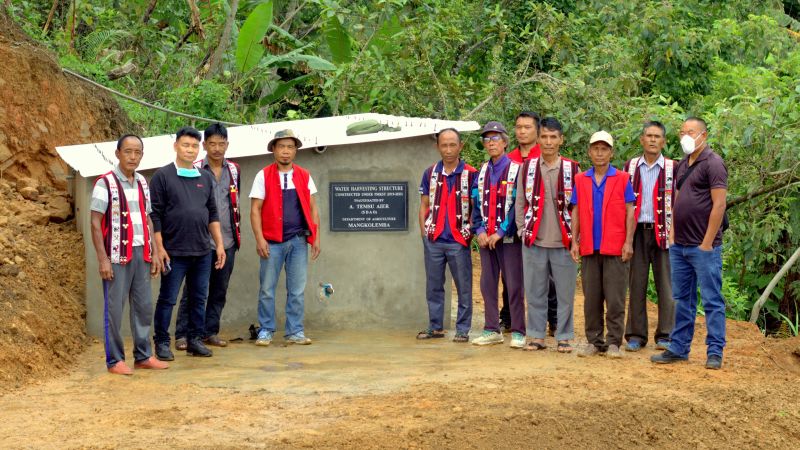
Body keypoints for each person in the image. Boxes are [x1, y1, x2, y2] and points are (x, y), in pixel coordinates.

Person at [651, 117, 727, 370]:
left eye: (691, 132)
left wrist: (707, 243)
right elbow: (677, 200)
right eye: (682, 132)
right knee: (682, 299)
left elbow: (719, 204)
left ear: (703, 135)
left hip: (703, 247)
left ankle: (714, 351)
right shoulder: (683, 164)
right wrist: (672, 235)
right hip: (680, 245)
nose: (685, 136)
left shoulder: (713, 163)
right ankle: (679, 348)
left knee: (712, 300)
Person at [89, 134, 168, 375]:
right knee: (114, 310)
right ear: (118, 154)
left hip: (141, 253)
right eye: (128, 151)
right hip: (116, 255)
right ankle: (114, 360)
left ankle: (143, 356)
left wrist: (154, 251)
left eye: (137, 152)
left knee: (143, 307)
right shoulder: (105, 183)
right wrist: (103, 259)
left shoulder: (143, 182)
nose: (133, 157)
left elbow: (147, 218)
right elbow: (95, 222)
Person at [150, 126, 227, 361]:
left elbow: (212, 213)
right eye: (185, 145)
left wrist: (219, 245)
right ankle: (162, 342)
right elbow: (155, 215)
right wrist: (159, 248)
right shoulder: (162, 176)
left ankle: (195, 340)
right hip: (173, 252)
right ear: (176, 146)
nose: (190, 150)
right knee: (168, 299)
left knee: (198, 298)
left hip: (203, 251)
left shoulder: (204, 177)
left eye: (194, 146)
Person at [174, 123, 242, 350]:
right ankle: (183, 334)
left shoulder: (234, 170)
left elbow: (234, 203)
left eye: (221, 144)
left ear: (227, 145)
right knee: (193, 290)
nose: (217, 148)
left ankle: (210, 332)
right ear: (204, 145)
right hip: (200, 241)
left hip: (228, 240)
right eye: (212, 144)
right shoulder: (193, 169)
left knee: (219, 290)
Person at [250, 129, 321, 346]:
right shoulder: (263, 175)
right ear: (273, 149)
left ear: (295, 151)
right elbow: (255, 209)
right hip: (271, 242)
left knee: (297, 290)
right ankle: (266, 330)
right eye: (281, 146)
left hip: (298, 241)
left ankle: (295, 331)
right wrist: (260, 239)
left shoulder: (304, 175)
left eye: (290, 147)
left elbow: (313, 208)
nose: (286, 151)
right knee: (267, 289)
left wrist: (315, 237)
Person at [515, 117, 580, 353]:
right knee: (535, 292)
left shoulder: (573, 169)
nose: (548, 142)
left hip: (564, 242)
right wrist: (522, 230)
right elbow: (519, 201)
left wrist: (576, 239)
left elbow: (579, 207)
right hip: (534, 240)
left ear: (561, 140)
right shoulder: (527, 168)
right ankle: (536, 336)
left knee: (565, 294)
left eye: (553, 137)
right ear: (538, 139)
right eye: (544, 137)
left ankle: (564, 337)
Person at [570, 130, 636, 359]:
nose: (599, 153)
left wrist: (628, 242)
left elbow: (630, 211)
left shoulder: (622, 178)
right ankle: (594, 341)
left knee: (616, 297)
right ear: (589, 152)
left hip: (615, 247)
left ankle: (614, 342)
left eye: (604, 149)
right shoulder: (581, 179)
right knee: (592, 297)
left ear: (611, 153)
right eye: (596, 149)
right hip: (589, 246)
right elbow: (576, 211)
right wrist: (574, 241)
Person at [417, 128, 477, 343]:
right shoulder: (430, 173)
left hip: (458, 240)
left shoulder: (471, 173)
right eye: (444, 145)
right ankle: (435, 327)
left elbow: (475, 207)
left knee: (463, 286)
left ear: (461, 146)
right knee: (433, 286)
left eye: (453, 145)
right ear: (438, 147)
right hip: (434, 239)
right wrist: (424, 234)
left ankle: (462, 329)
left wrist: (469, 232)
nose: (448, 150)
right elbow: (424, 205)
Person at [470, 121, 525, 348]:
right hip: (486, 239)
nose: (491, 143)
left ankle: (519, 331)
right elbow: (475, 203)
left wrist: (501, 231)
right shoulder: (481, 171)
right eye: (487, 139)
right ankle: (492, 329)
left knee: (514, 284)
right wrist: (480, 230)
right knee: (487, 284)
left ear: (505, 142)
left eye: (495, 138)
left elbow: (518, 205)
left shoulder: (516, 169)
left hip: (508, 238)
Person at [623, 121, 675, 352]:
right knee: (636, 284)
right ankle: (636, 335)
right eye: (649, 136)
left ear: (664, 142)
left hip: (664, 232)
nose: (653, 140)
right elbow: (624, 202)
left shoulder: (673, 168)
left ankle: (666, 335)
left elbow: (678, 202)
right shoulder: (630, 166)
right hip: (637, 233)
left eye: (657, 136)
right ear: (642, 140)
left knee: (666, 286)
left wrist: (675, 234)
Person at [508, 111, 558, 336]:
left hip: (543, 229)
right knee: (512, 275)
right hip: (514, 227)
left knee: (547, 276)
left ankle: (553, 319)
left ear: (537, 132)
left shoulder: (545, 155)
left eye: (527, 127)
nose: (522, 131)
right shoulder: (509, 158)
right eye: (518, 127)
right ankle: (510, 317)